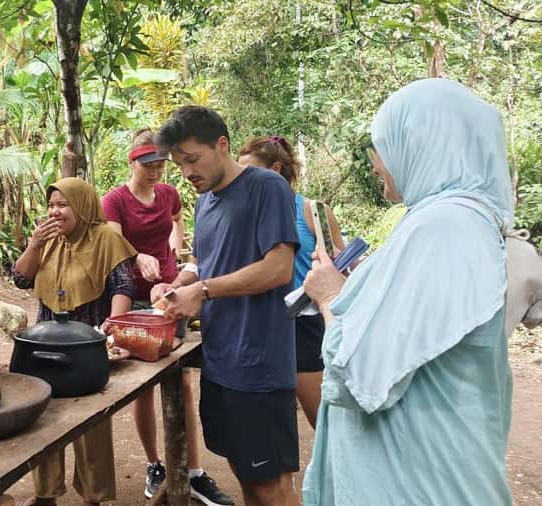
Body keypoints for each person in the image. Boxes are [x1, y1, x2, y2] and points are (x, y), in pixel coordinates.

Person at [301, 79, 515, 505]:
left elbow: (358, 378)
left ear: (422, 144)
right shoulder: (461, 222)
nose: (375, 165)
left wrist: (329, 296)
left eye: (382, 149)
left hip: (417, 482)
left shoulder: (442, 227)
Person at [153, 106, 300, 506]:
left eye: (193, 159)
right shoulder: (205, 201)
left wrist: (202, 291)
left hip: (259, 366)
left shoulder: (266, 187)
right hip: (221, 364)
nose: (187, 172)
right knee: (246, 478)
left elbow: (279, 267)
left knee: (272, 487)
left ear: (222, 145)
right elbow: (207, 263)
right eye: (179, 164)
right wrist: (177, 286)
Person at [102, 128, 232, 505]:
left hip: (171, 292)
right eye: (149, 165)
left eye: (160, 164)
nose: (156, 171)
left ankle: (192, 470)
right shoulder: (115, 200)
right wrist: (136, 254)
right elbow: (112, 243)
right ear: (132, 162)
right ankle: (154, 463)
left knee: (181, 380)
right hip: (133, 298)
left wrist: (173, 250)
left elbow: (177, 221)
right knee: (142, 384)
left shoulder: (169, 194)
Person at [13, 177, 137, 506]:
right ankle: (46, 493)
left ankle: (93, 495)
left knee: (92, 421)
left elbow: (123, 286)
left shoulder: (107, 237)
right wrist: (35, 244)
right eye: (50, 205)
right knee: (43, 417)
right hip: (45, 346)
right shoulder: (47, 239)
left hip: (87, 346)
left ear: (82, 206)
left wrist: (112, 328)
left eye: (63, 204)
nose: (54, 211)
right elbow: (21, 278)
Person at [237, 135, 344, 429]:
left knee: (324, 419)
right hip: (263, 323)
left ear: (274, 169)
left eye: (249, 171)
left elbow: (340, 265)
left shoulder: (312, 211)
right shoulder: (246, 214)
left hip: (304, 323)